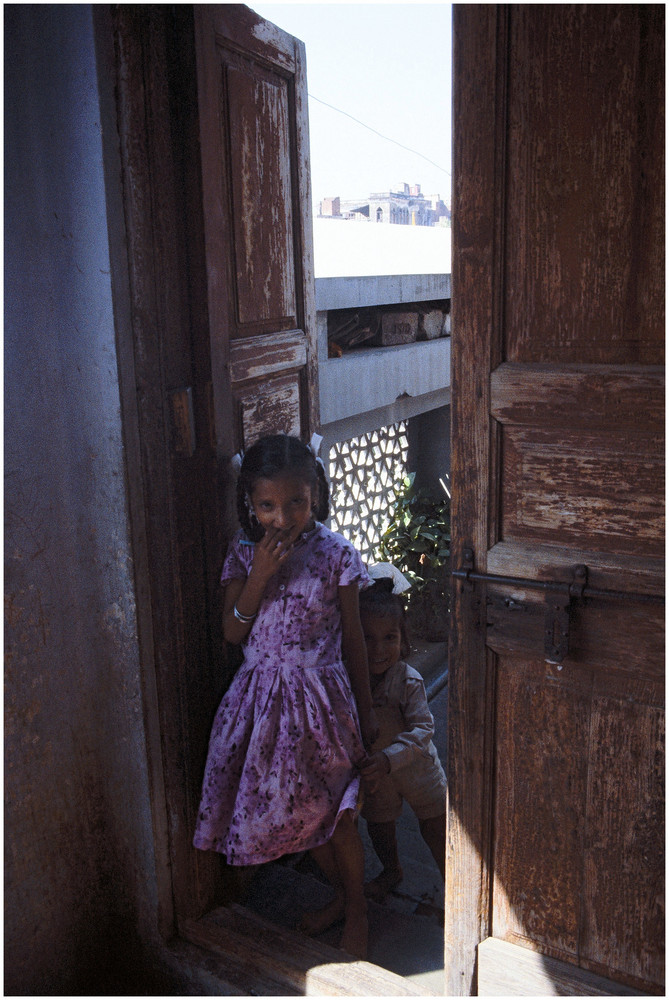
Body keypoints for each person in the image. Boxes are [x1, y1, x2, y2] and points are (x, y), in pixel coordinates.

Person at [193, 433, 377, 959]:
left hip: (323, 706)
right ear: (250, 505)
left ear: (315, 494)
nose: (283, 516)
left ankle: (358, 906)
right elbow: (232, 632)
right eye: (268, 505)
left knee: (337, 812)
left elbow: (356, 642)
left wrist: (365, 716)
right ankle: (340, 897)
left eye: (296, 501)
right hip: (261, 708)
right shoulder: (242, 552)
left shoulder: (338, 555)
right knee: (302, 812)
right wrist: (260, 577)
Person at [358, 568, 447, 902]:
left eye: (389, 638)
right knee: (380, 824)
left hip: (417, 769)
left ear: (403, 638)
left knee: (435, 824)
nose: (378, 649)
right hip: (377, 775)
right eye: (367, 638)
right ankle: (391, 870)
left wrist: (388, 757)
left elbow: (424, 729)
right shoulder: (351, 680)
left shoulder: (407, 680)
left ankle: (450, 884)